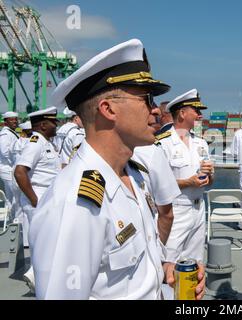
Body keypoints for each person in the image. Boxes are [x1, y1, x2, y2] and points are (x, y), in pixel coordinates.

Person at [28, 39, 205, 300]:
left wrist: (163, 270)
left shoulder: (134, 175)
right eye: (147, 98)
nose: (157, 110)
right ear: (108, 109)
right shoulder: (74, 203)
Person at [157, 89, 214, 265]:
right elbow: (157, 185)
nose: (199, 114)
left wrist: (209, 177)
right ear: (182, 113)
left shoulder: (201, 142)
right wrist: (188, 182)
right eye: (196, 110)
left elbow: (209, 181)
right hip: (175, 211)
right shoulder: (163, 143)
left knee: (194, 263)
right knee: (169, 262)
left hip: (199, 210)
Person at [14, 106, 62, 289]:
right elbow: (19, 172)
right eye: (53, 122)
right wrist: (35, 201)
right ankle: (37, 279)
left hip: (47, 199)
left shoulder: (46, 142)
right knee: (41, 243)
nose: (56, 126)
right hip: (39, 200)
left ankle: (40, 278)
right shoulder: (35, 143)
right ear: (43, 125)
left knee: (47, 242)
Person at [0, 111, 20, 221]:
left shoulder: (11, 133)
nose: (15, 122)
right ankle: (14, 220)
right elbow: (5, 152)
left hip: (9, 169)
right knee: (15, 197)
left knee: (11, 197)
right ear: (6, 122)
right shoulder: (5, 134)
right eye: (11, 120)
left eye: (16, 119)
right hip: (8, 169)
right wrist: (16, 162)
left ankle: (11, 220)